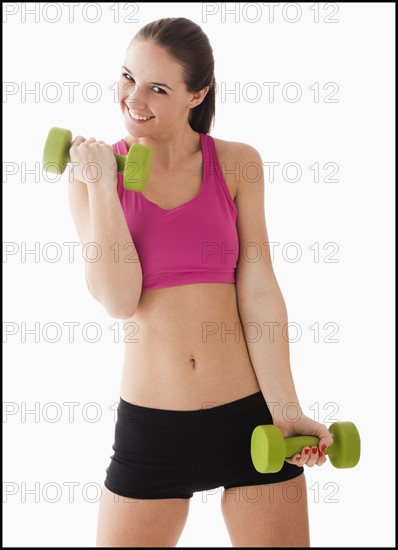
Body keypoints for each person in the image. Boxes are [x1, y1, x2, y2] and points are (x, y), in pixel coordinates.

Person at [68, 17, 334, 548]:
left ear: (199, 94)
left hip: (248, 419)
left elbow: (259, 292)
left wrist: (285, 410)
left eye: (158, 88)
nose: (133, 98)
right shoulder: (91, 173)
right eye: (127, 77)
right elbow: (120, 300)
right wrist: (102, 185)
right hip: (152, 432)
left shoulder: (237, 164)